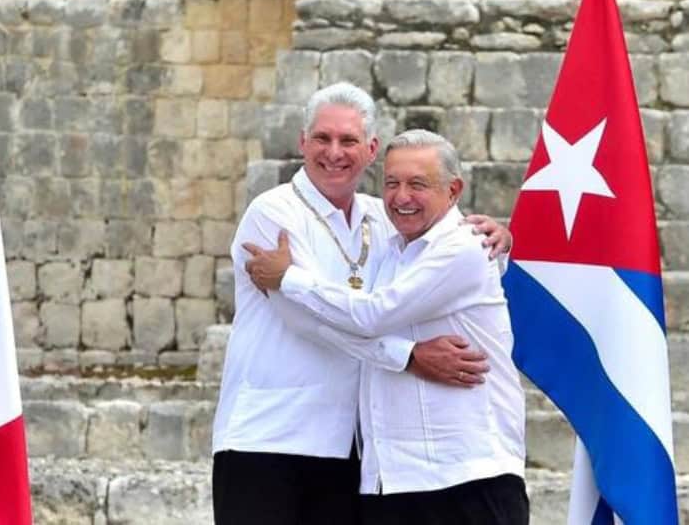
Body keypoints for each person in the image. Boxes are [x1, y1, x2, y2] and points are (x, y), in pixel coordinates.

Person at [211, 82, 512, 525]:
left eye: (348, 140)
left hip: (349, 446)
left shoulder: (382, 215)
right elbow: (309, 321)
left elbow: (435, 259)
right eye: (322, 139)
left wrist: (498, 242)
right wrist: (408, 357)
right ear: (302, 143)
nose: (334, 152)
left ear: (370, 149)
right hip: (269, 439)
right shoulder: (271, 214)